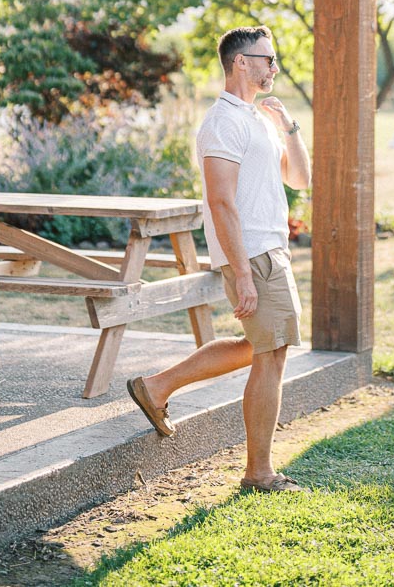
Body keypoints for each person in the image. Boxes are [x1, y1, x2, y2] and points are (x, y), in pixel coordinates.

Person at [127, 24, 311, 493]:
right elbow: (221, 202)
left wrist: (288, 126)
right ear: (240, 63)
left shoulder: (256, 119)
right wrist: (244, 273)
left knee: (264, 345)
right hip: (253, 254)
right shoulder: (223, 122)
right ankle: (259, 473)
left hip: (270, 250)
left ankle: (157, 387)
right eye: (267, 59)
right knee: (271, 354)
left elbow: (300, 179)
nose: (274, 66)